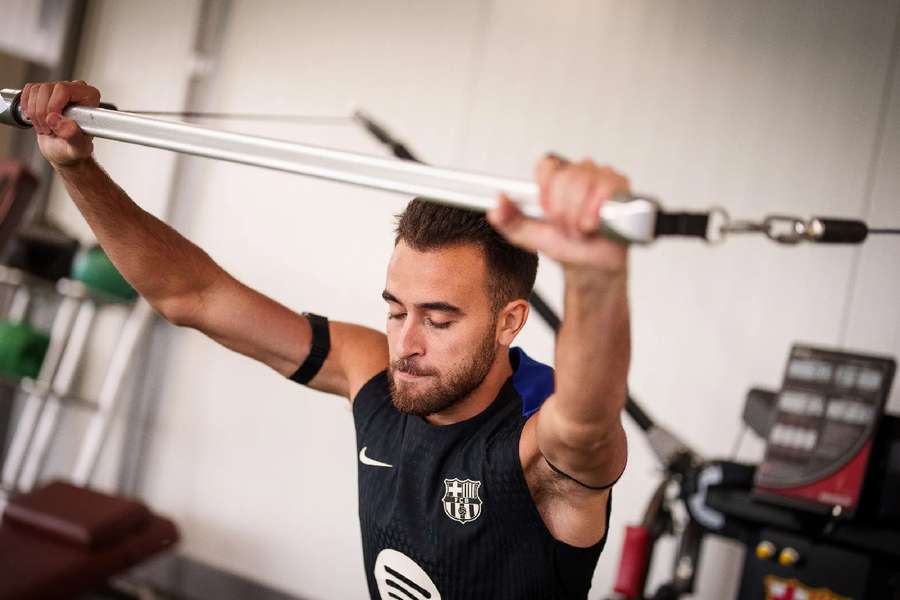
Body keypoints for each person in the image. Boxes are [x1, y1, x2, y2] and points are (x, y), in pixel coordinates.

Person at [21, 80, 631, 600]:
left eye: (439, 320)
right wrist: (75, 169)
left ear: (510, 322)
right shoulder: (372, 373)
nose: (406, 343)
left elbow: (586, 425)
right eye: (395, 311)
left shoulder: (535, 454)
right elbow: (194, 296)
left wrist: (595, 275)